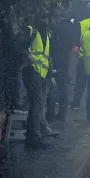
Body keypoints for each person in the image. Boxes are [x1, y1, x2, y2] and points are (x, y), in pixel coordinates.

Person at [20, 20, 58, 148]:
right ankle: (35, 138)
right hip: (32, 72)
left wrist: (50, 70)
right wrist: (27, 58)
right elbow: (22, 48)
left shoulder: (46, 34)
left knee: (36, 105)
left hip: (42, 73)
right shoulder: (31, 30)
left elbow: (46, 55)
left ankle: (33, 136)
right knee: (37, 105)